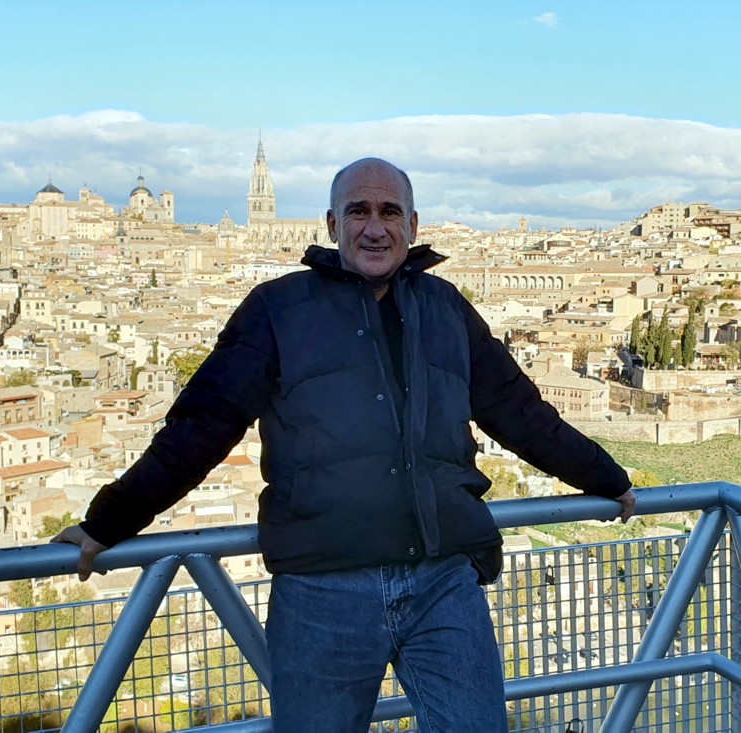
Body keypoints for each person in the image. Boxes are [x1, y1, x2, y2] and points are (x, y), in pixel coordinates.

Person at [54, 157, 635, 732]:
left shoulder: (446, 308)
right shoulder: (276, 309)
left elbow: (520, 413)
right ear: (332, 225)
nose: (374, 228)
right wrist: (110, 522)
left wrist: (607, 479)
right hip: (322, 588)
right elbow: (202, 426)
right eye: (359, 211)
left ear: (412, 224)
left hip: (442, 579)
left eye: (389, 212)